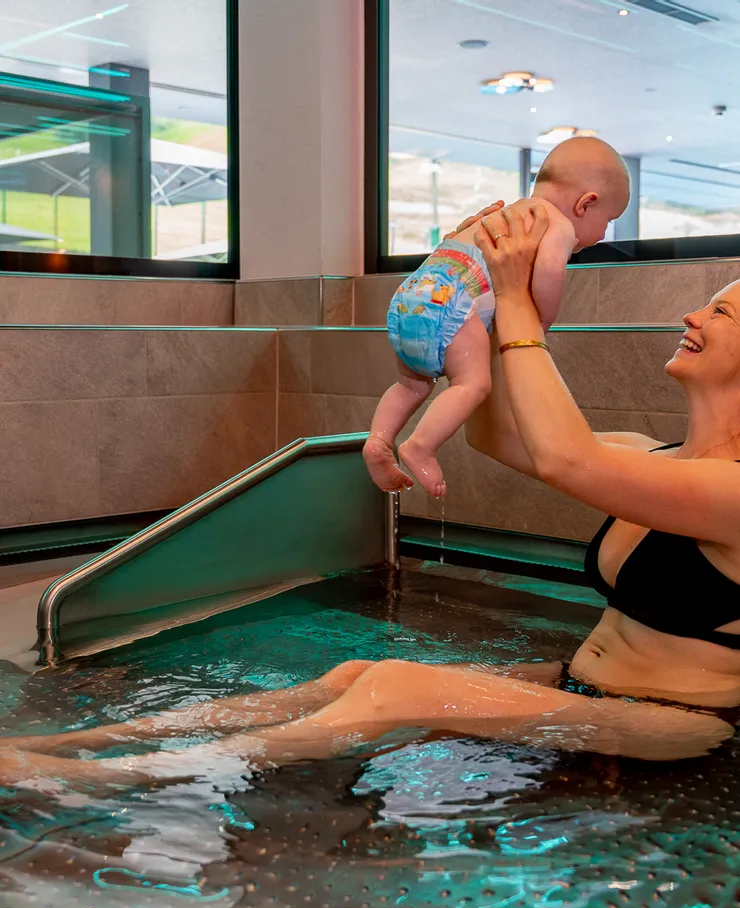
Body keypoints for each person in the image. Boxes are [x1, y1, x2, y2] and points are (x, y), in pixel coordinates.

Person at [1, 203, 739, 793]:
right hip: (581, 683)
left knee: (391, 684)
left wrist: (518, 298)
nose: (692, 318)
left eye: (722, 313)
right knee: (351, 676)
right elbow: (503, 438)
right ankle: (74, 741)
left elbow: (566, 457)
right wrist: (477, 298)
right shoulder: (653, 459)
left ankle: (88, 780)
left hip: (674, 719)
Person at [362, 136, 630, 498]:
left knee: (411, 385)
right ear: (586, 203)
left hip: (410, 297)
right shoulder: (555, 222)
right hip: (452, 305)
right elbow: (550, 271)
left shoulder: (498, 215)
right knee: (471, 385)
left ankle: (379, 440)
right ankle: (421, 445)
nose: (601, 236)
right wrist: (541, 321)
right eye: (608, 221)